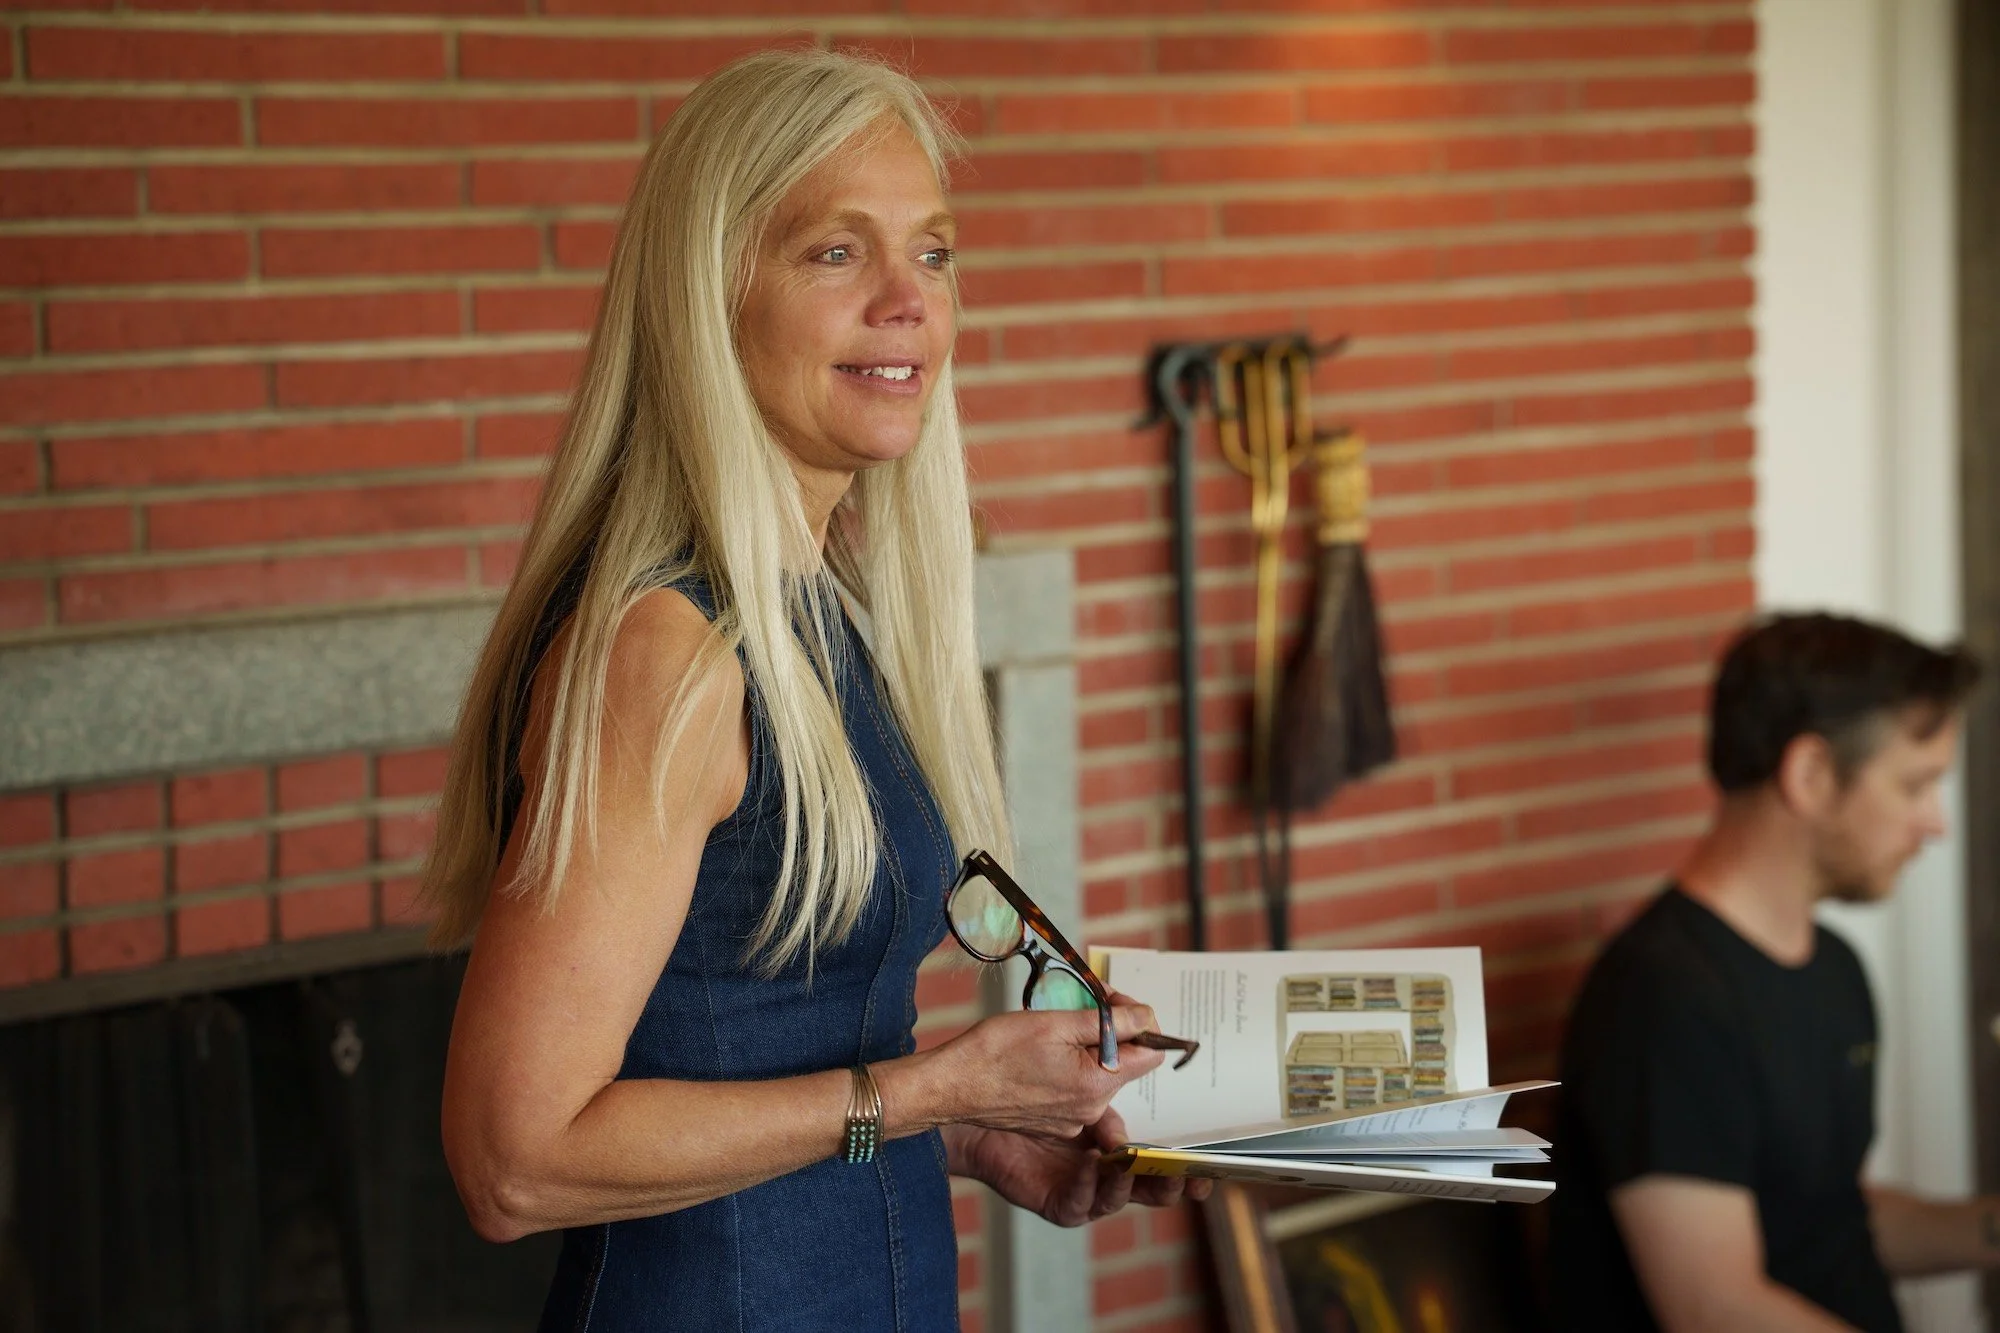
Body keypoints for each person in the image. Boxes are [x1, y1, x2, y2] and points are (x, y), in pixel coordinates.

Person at [420, 49, 1204, 1332]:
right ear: (708, 293)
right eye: (836, 253)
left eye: (933, 253)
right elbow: (514, 1159)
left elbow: (759, 1048)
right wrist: (934, 1093)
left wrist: (972, 1139)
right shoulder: (663, 650)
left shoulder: (823, 613)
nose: (906, 301)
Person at [1550, 611, 1997, 1332]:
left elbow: (1829, 1221)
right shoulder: (1663, 997)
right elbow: (1715, 1306)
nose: (1936, 822)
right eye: (1915, 787)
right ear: (1812, 774)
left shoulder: (1833, 969)